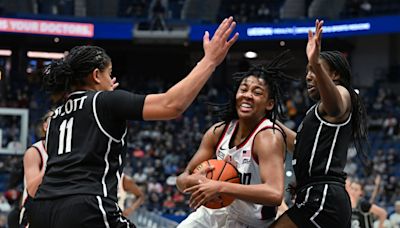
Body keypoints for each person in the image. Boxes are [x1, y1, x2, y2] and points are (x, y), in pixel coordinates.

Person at [28, 17, 238, 228]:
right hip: (86, 206)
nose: (112, 81)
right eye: (109, 74)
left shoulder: (56, 116)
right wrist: (209, 61)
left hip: (42, 210)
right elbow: (172, 105)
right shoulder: (106, 101)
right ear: (96, 75)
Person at [176, 51, 295, 227]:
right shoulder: (218, 131)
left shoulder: (268, 137)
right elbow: (182, 179)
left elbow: (274, 194)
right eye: (243, 89)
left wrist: (220, 186)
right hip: (213, 213)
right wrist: (193, 181)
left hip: (250, 223)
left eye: (257, 92)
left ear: (269, 104)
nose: (247, 95)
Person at [271, 19, 370, 227]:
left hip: (323, 197)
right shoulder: (314, 113)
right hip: (318, 196)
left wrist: (316, 61)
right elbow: (299, 145)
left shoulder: (343, 94)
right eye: (307, 71)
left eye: (314, 70)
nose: (308, 76)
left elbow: (336, 105)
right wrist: (268, 122)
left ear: (334, 74)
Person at [19, 110, 53, 228]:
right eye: (53, 119)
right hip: (34, 209)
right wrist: (53, 163)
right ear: (45, 126)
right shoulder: (34, 152)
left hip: (58, 209)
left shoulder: (70, 151)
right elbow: (32, 190)